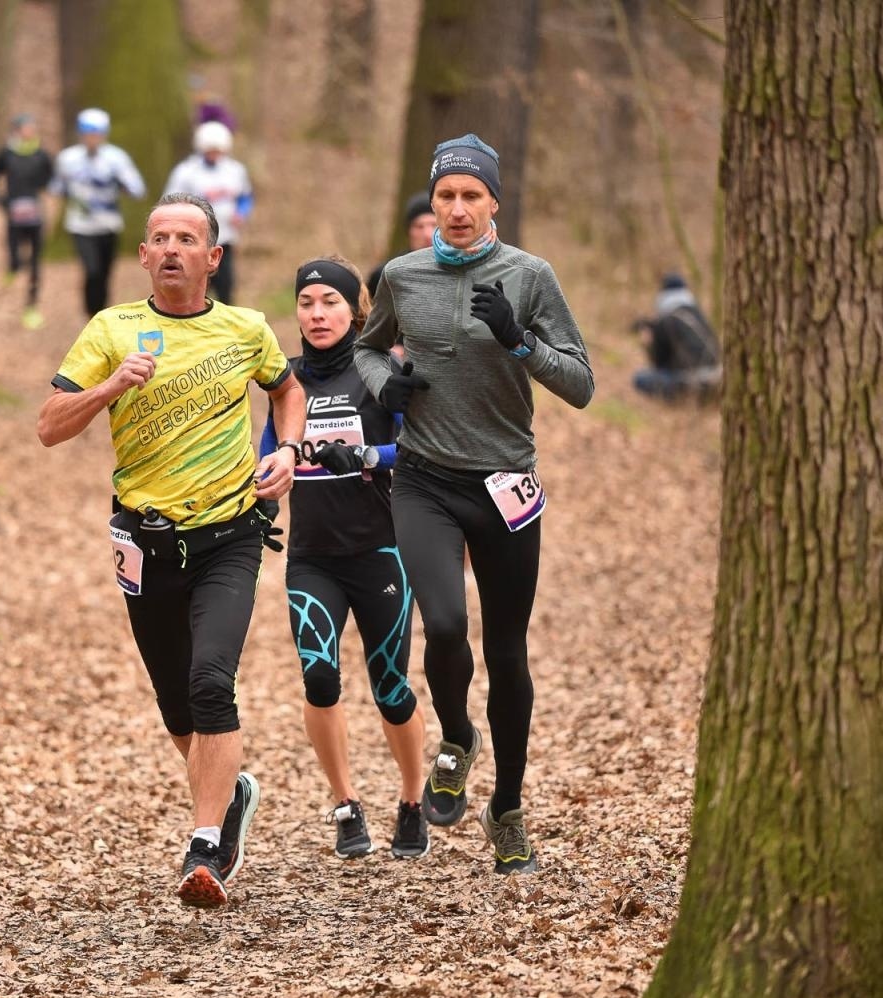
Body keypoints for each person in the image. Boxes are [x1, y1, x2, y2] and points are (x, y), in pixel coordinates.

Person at [36, 192, 306, 908]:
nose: (173, 248)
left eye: (188, 237)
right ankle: (231, 793)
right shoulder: (111, 329)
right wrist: (108, 387)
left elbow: (287, 390)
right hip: (144, 544)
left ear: (213, 257)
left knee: (212, 682)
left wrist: (286, 451)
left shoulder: (245, 328)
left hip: (230, 535)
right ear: (144, 256)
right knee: (176, 706)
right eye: (160, 238)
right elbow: (49, 426)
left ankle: (206, 846)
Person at [354, 133, 594, 875]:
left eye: (470, 196)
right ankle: (457, 737)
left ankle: (509, 808)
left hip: (504, 484)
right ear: (432, 203)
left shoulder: (530, 276)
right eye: (444, 197)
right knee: (446, 624)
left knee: (508, 651)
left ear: (494, 202)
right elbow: (367, 348)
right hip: (425, 479)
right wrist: (380, 385)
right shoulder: (402, 274)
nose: (456, 210)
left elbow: (581, 384)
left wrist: (520, 342)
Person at [259, 255, 428, 860]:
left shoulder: (380, 370)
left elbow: (421, 448)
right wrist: (261, 495)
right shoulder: (290, 381)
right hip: (312, 557)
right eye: (306, 304)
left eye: (329, 302)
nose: (316, 313)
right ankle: (345, 801)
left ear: (355, 309)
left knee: (389, 687)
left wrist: (365, 458)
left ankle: (412, 798)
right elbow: (268, 453)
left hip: (382, 551)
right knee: (320, 678)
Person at [51, 108, 147, 316]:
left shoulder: (116, 158)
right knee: (91, 270)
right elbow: (57, 188)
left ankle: (103, 312)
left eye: (96, 134)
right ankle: (91, 314)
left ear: (104, 134)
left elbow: (138, 189)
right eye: (88, 134)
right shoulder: (68, 158)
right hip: (80, 226)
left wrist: (120, 182)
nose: (92, 139)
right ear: (80, 134)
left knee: (104, 273)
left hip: (109, 224)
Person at [163, 122, 253, 305]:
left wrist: (241, 213)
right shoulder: (186, 172)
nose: (214, 154)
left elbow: (245, 197)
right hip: (193, 242)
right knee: (196, 287)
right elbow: (169, 201)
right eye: (210, 150)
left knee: (226, 287)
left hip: (225, 239)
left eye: (218, 150)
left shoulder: (235, 171)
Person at [0, 114, 54, 329]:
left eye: (32, 127)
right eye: (26, 127)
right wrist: (2, 202)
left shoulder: (42, 155)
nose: (30, 131)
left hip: (35, 217)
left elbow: (52, 180)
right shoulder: (6, 154)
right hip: (14, 217)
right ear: (17, 130)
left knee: (35, 264)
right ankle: (12, 269)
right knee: (15, 260)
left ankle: (31, 307)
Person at [631, 273, 720, 402]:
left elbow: (659, 364)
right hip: (716, 379)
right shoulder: (698, 315)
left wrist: (648, 345)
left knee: (640, 378)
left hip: (690, 384)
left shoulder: (666, 320)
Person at [366, 192, 436, 298]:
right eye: (419, 226)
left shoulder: (458, 271)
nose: (427, 234)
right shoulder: (385, 274)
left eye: (434, 225)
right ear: (409, 231)